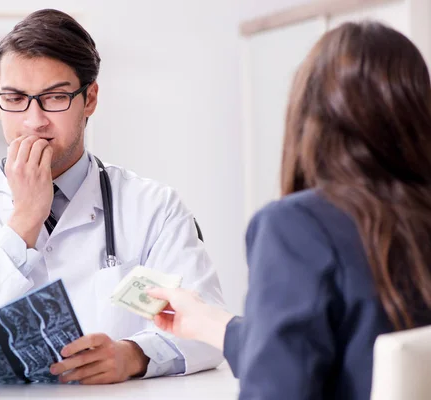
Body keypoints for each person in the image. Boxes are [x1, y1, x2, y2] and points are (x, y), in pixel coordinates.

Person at [0, 9, 224, 384]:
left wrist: (135, 355)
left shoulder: (154, 208)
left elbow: (209, 331)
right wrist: (23, 223)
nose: (33, 120)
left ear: (89, 98)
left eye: (54, 97)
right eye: (14, 98)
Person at [149, 21, 431, 399]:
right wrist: (209, 322)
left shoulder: (299, 227)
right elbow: (352, 340)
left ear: (309, 118)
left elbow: (277, 388)